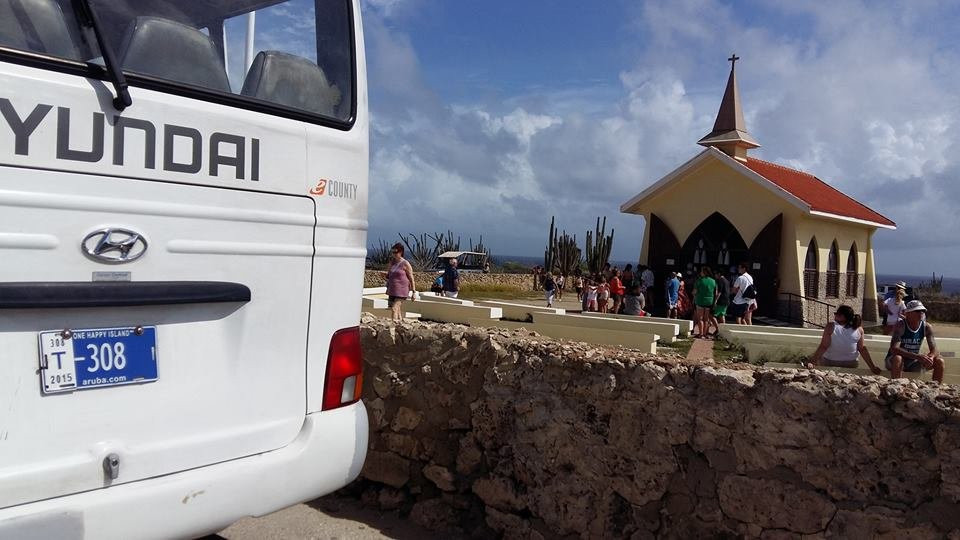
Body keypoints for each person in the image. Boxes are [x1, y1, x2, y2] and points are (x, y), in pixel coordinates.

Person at [806, 305, 881, 373]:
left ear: (842, 316)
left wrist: (812, 361)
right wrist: (872, 367)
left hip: (831, 361)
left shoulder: (831, 326)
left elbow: (824, 346)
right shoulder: (859, 329)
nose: (834, 315)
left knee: (818, 359)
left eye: (836, 314)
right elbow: (862, 349)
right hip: (851, 363)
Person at [886, 300, 944, 383]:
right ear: (908, 313)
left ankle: (936, 387)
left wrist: (930, 357)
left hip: (913, 362)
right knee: (898, 358)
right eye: (917, 311)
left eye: (922, 311)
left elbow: (934, 349)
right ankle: (896, 387)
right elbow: (894, 349)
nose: (921, 313)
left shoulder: (926, 327)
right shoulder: (900, 325)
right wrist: (917, 356)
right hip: (894, 361)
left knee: (939, 361)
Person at [385, 242, 416, 320]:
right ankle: (400, 324)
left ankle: (394, 327)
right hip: (392, 289)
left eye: (396, 252)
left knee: (394, 308)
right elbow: (388, 275)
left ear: (401, 252)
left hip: (402, 290)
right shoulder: (392, 263)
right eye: (393, 252)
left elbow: (411, 278)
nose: (394, 254)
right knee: (397, 310)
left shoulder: (405, 263)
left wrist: (414, 292)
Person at [693, 266, 718, 338]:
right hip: (709, 301)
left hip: (700, 300)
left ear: (704, 272)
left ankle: (700, 334)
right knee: (706, 319)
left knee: (700, 318)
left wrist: (694, 295)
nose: (700, 273)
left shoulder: (699, 280)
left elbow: (695, 291)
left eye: (701, 271)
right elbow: (715, 293)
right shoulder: (713, 281)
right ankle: (705, 333)